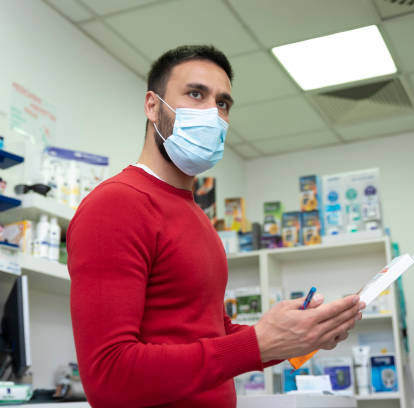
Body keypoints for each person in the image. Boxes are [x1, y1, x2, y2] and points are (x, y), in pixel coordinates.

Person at [67, 45, 365, 408]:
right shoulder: (117, 204)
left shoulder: (194, 215)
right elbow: (108, 378)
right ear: (152, 105)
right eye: (195, 94)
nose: (212, 112)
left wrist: (299, 335)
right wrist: (258, 343)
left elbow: (211, 334)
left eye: (222, 103)